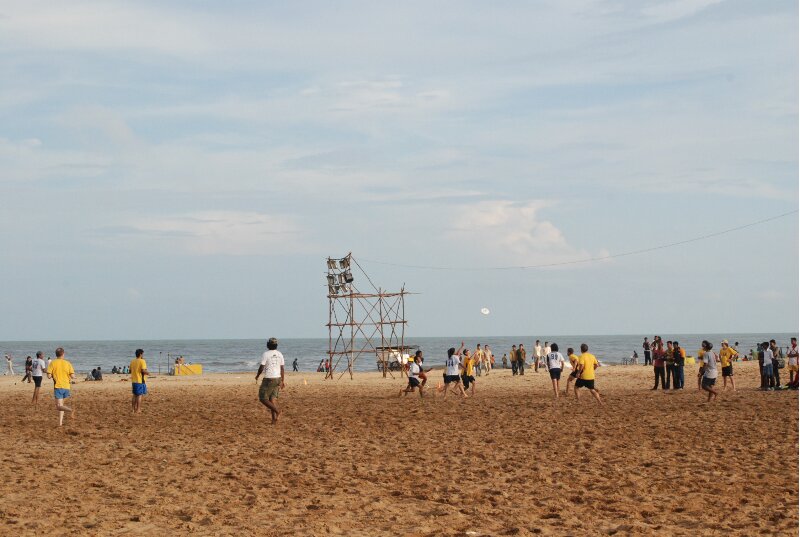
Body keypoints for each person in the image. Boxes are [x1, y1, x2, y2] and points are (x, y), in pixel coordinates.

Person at [255, 338, 285, 424]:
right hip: (278, 378)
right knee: (271, 399)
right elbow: (282, 368)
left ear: (268, 345)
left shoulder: (266, 354)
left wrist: (257, 375)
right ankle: (273, 420)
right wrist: (282, 381)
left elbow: (261, 367)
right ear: (276, 345)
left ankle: (277, 411)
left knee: (262, 398)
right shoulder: (280, 354)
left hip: (269, 379)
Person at [46, 347, 75, 426]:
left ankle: (71, 410)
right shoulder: (68, 363)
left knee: (59, 407)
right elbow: (73, 376)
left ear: (56, 355)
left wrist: (50, 373)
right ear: (63, 354)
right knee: (61, 405)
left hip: (58, 386)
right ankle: (60, 423)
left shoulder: (52, 363)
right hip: (67, 387)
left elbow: (48, 376)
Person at [130, 349, 149, 414]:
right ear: (140, 354)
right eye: (142, 354)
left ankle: (132, 409)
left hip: (134, 380)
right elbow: (143, 370)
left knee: (134, 395)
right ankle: (138, 409)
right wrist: (148, 373)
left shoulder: (132, 361)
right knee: (139, 395)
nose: (143, 355)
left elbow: (130, 370)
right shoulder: (142, 361)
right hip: (140, 380)